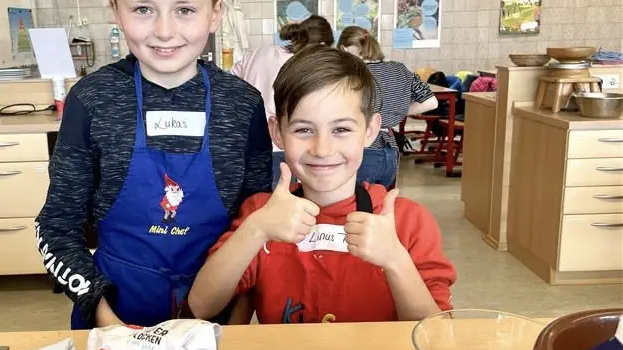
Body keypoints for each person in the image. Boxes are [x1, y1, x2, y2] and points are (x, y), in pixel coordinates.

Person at [35, 0, 273, 330]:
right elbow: (57, 227)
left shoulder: (242, 104)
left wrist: (233, 326)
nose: (164, 31)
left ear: (215, 13)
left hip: (215, 320)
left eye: (184, 10)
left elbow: (255, 226)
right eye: (144, 9)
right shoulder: (91, 101)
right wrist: (106, 318)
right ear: (115, 8)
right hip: (111, 317)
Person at [188, 45, 456, 324]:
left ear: (371, 131)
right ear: (277, 132)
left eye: (341, 129)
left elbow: (435, 335)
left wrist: (395, 260)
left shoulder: (408, 221)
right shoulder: (261, 213)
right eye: (303, 130)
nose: (322, 149)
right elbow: (202, 306)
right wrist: (256, 230)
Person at [231, 15, 334, 188]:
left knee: (252, 203)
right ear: (323, 44)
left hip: (244, 143)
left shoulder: (258, 53)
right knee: (282, 202)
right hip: (280, 146)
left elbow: (232, 80)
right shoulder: (305, 64)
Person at [337, 26, 437, 188]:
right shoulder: (400, 69)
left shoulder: (353, 74)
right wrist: (397, 111)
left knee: (359, 205)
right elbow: (431, 102)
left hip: (361, 149)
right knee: (383, 205)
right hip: (390, 150)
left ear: (343, 49)